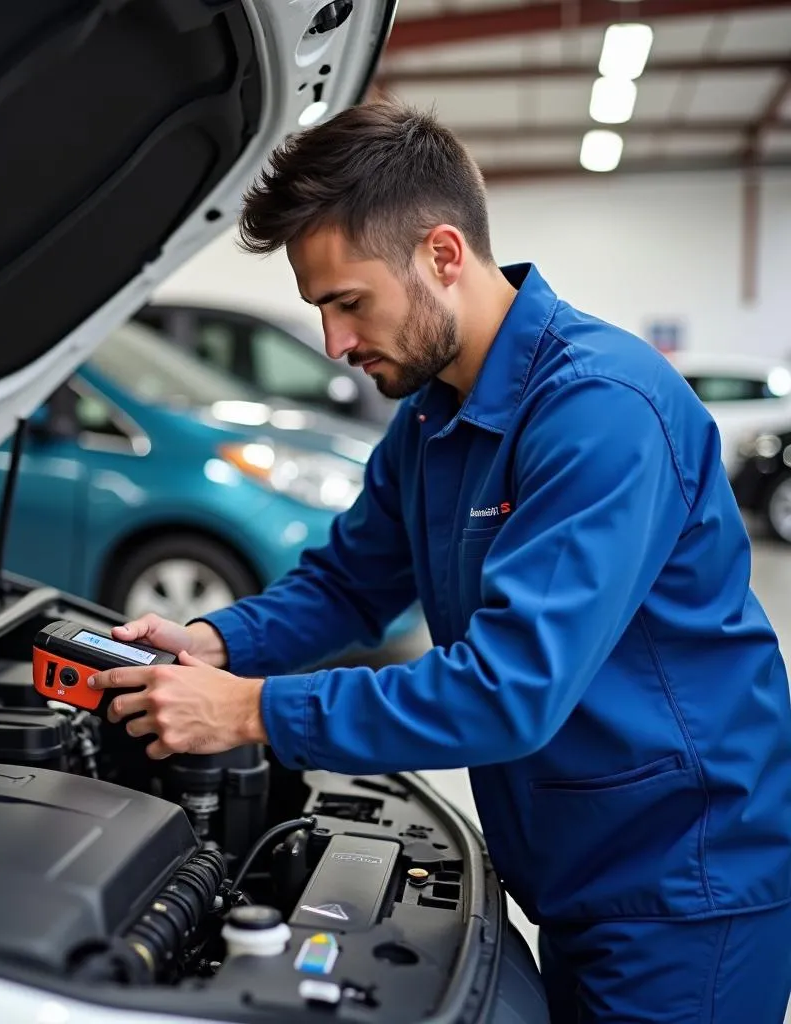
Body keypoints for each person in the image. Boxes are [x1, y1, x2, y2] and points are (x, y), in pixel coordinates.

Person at [90, 102, 791, 1022]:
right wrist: (218, 640)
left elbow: (509, 688)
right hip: (580, 874)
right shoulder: (432, 419)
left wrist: (254, 711)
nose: (336, 344)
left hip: (687, 888)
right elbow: (349, 581)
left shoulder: (602, 412)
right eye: (321, 310)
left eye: (348, 302)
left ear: (443, 255)